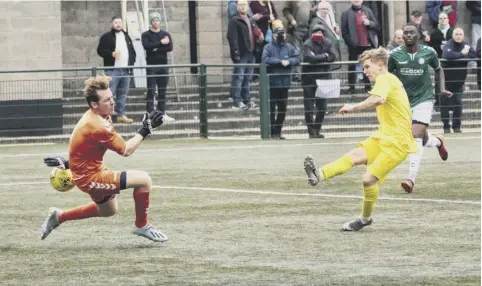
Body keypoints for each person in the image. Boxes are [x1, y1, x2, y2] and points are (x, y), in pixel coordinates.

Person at [40, 75, 167, 242]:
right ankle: (141, 226)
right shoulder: (98, 125)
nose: (113, 102)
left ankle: (59, 216)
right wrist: (146, 129)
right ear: (94, 104)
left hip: (91, 171)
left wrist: (68, 163)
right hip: (90, 177)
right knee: (144, 180)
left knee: (108, 211)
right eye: (107, 100)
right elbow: (126, 150)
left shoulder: (97, 116)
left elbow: (86, 147)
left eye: (112, 97)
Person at [303, 47, 418, 231]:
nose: (364, 72)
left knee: (367, 180)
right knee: (354, 156)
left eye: (367, 67)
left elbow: (377, 100)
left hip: (398, 143)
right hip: (384, 136)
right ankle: (319, 174)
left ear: (380, 65)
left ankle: (365, 219)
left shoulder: (385, 78)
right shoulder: (386, 80)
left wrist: (353, 107)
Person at [388, 23, 451, 193]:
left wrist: (442, 88)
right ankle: (438, 141)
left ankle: (411, 179)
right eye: (405, 33)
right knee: (422, 139)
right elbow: (387, 76)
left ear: (419, 36)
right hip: (404, 101)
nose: (407, 35)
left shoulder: (429, 52)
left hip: (425, 99)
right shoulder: (394, 55)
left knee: (414, 134)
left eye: (411, 33)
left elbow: (439, 70)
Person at [262, 22, 300, 139]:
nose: (280, 36)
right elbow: (265, 59)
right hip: (272, 83)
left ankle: (278, 131)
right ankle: (272, 131)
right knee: (272, 109)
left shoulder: (289, 47)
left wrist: (289, 62)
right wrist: (279, 62)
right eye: (278, 34)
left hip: (285, 82)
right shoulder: (268, 47)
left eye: (282, 34)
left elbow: (298, 58)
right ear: (273, 35)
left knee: (282, 109)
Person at [97, 16, 136, 124]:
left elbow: (132, 51)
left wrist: (132, 63)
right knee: (109, 94)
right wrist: (111, 54)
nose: (118, 24)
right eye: (116, 22)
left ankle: (121, 115)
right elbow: (100, 51)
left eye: (120, 22)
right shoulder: (106, 37)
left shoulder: (126, 36)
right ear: (111, 24)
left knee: (123, 94)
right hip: (113, 70)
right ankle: (105, 116)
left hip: (126, 69)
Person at [301, 25, 337, 138]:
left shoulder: (328, 42)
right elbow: (309, 58)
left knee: (322, 106)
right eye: (316, 32)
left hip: (324, 77)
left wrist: (318, 57)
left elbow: (333, 56)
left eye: (320, 32)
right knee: (309, 107)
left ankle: (317, 128)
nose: (318, 34)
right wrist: (324, 56)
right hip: (309, 79)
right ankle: (311, 131)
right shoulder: (307, 43)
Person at [142, 12, 175, 122]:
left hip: (163, 65)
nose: (156, 22)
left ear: (160, 22)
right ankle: (149, 113)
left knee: (162, 90)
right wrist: (161, 42)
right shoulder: (146, 35)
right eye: (154, 20)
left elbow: (169, 47)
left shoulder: (165, 33)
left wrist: (156, 48)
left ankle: (162, 113)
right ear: (151, 22)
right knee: (151, 90)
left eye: (157, 20)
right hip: (152, 66)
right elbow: (147, 46)